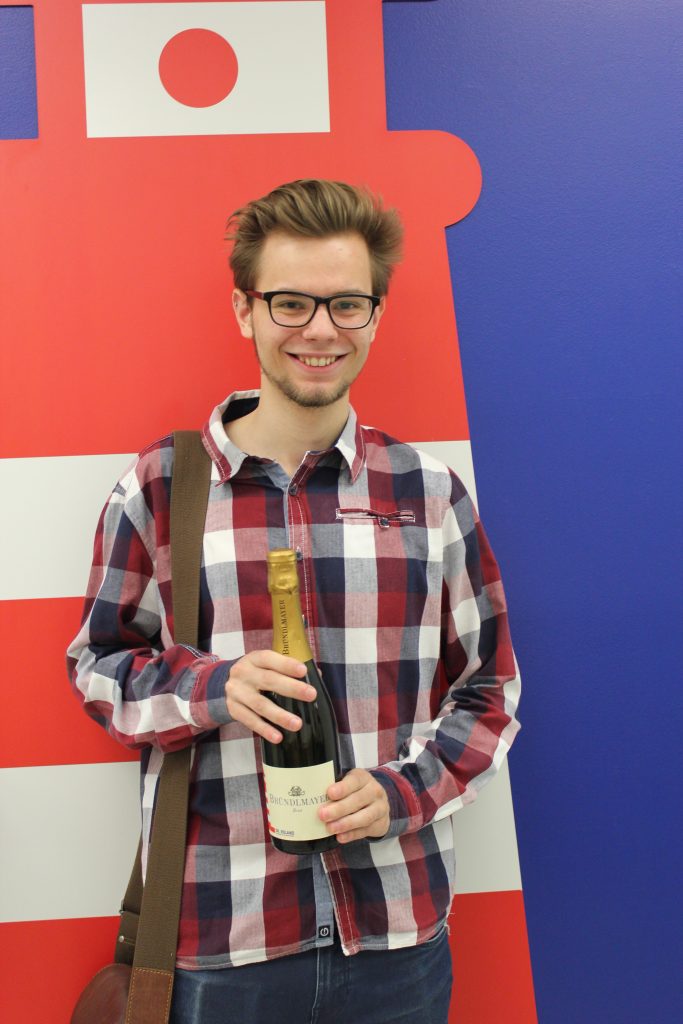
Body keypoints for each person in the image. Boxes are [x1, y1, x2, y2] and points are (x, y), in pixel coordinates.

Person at [67, 179, 521, 1024]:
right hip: (223, 943)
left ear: (375, 316)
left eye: (346, 304)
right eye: (290, 303)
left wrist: (405, 792)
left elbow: (488, 692)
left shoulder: (427, 492)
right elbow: (97, 669)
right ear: (244, 310)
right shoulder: (161, 488)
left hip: (397, 940)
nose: (319, 330)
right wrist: (211, 687)